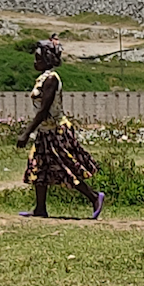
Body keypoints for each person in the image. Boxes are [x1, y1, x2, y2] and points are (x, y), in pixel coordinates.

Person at [17, 36, 105, 219]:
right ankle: (40, 208)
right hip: (45, 131)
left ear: (47, 59)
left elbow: (43, 110)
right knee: (38, 166)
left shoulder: (51, 80)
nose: (35, 61)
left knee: (65, 167)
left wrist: (26, 133)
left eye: (38, 58)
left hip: (56, 131)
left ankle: (94, 197)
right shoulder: (43, 78)